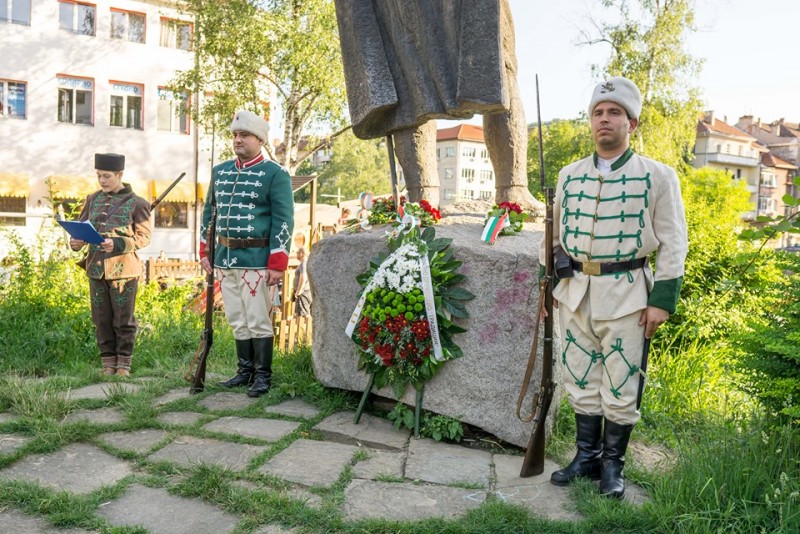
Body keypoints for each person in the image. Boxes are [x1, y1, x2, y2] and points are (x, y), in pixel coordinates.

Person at [540, 77, 688, 499]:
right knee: (580, 378)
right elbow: (552, 240)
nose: (604, 120)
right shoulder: (569, 176)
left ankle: (612, 466)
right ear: (591, 122)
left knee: (621, 384)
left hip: (628, 295)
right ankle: (585, 457)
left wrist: (662, 300)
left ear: (632, 122)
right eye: (598, 113)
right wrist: (545, 290)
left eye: (614, 112)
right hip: (573, 293)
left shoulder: (659, 176)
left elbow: (674, 242)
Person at [200, 110, 294, 398]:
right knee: (236, 317)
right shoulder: (221, 172)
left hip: (255, 260)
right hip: (225, 258)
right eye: (235, 135)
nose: (238, 140)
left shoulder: (275, 175)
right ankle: (245, 371)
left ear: (260, 140)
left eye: (244, 135)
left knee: (257, 318)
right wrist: (206, 250)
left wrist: (277, 262)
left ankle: (263, 376)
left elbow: (284, 220)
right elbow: (209, 214)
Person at [69, 153, 152, 377]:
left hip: (124, 270)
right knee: (101, 318)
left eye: (106, 176)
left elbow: (143, 238)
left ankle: (124, 364)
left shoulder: (138, 203)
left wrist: (115, 243)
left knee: (123, 319)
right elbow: (81, 228)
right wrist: (75, 241)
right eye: (99, 176)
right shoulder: (92, 199)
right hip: (96, 269)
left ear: (119, 175)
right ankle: (107, 363)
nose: (102, 181)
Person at [292, 247, 312, 317]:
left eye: (297, 253)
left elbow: (303, 277)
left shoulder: (304, 264)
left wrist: (299, 291)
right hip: (305, 292)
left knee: (303, 314)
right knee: (301, 313)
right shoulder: (306, 263)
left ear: (302, 254)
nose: (296, 255)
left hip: (303, 293)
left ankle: (305, 328)